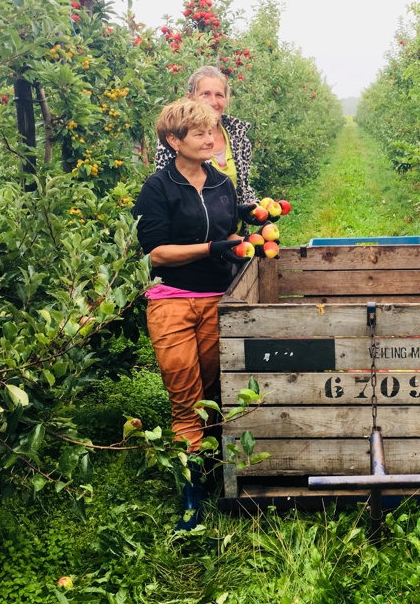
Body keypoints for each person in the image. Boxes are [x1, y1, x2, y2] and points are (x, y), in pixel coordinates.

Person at [135, 98, 248, 531]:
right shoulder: (158, 188)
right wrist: (213, 249)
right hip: (173, 301)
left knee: (214, 389)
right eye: (198, 132)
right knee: (184, 394)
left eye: (212, 131)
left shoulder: (221, 184)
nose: (209, 139)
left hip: (218, 297)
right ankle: (191, 497)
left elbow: (227, 233)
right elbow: (157, 252)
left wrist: (247, 237)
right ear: (173, 140)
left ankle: (217, 471)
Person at [155, 65, 262, 229]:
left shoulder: (239, 137)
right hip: (194, 240)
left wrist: (254, 208)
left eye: (219, 95)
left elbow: (243, 187)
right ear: (190, 98)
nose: (214, 102)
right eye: (205, 94)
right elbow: (169, 192)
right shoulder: (178, 139)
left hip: (236, 240)